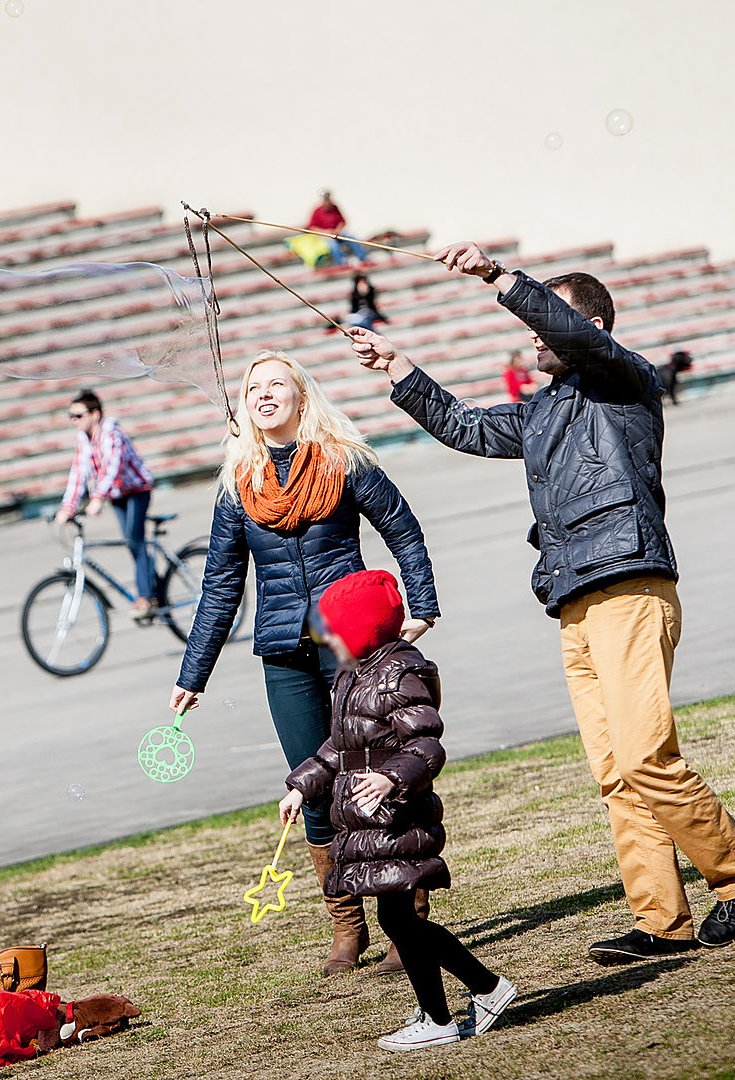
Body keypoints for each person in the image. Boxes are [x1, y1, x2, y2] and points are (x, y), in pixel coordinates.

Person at [349, 240, 735, 962]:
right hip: (573, 601)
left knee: (646, 756)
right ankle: (662, 922)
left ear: (589, 326)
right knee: (615, 772)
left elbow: (570, 333)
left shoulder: (627, 381)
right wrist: (399, 367)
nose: (532, 335)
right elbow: (465, 427)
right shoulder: (542, 413)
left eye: (547, 321)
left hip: (629, 585)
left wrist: (500, 278)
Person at [169, 350, 439, 976]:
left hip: (354, 645)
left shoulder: (345, 462)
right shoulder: (239, 484)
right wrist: (194, 673)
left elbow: (403, 529)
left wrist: (420, 603)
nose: (264, 395)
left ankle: (406, 911)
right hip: (283, 650)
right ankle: (347, 923)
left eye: (276, 385)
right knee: (309, 784)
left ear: (301, 396)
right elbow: (220, 584)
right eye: (253, 387)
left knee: (375, 777)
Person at [281, 569, 515, 1052]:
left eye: (334, 629)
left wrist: (392, 777)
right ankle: (451, 1009)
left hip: (397, 817)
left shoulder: (399, 673)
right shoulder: (353, 673)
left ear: (360, 629)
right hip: (366, 821)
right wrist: (301, 787)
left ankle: (476, 995)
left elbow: (427, 744)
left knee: (400, 921)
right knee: (400, 920)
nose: (327, 639)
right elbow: (336, 747)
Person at [53, 390, 157, 619]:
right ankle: (152, 585)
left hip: (138, 490)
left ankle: (146, 597)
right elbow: (78, 473)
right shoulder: (83, 438)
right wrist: (67, 507)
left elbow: (112, 467)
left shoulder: (112, 433)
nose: (74, 420)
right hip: (117, 494)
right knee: (131, 541)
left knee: (134, 539)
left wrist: (97, 497)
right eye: (71, 415)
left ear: (95, 414)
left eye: (78, 415)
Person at [307, 190, 368, 267]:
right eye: (326, 200)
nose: (328, 202)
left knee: (352, 238)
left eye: (328, 199)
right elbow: (312, 227)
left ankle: (364, 259)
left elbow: (342, 221)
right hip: (326, 235)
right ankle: (342, 263)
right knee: (333, 245)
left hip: (337, 233)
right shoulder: (317, 211)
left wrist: (338, 230)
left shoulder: (335, 208)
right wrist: (326, 232)